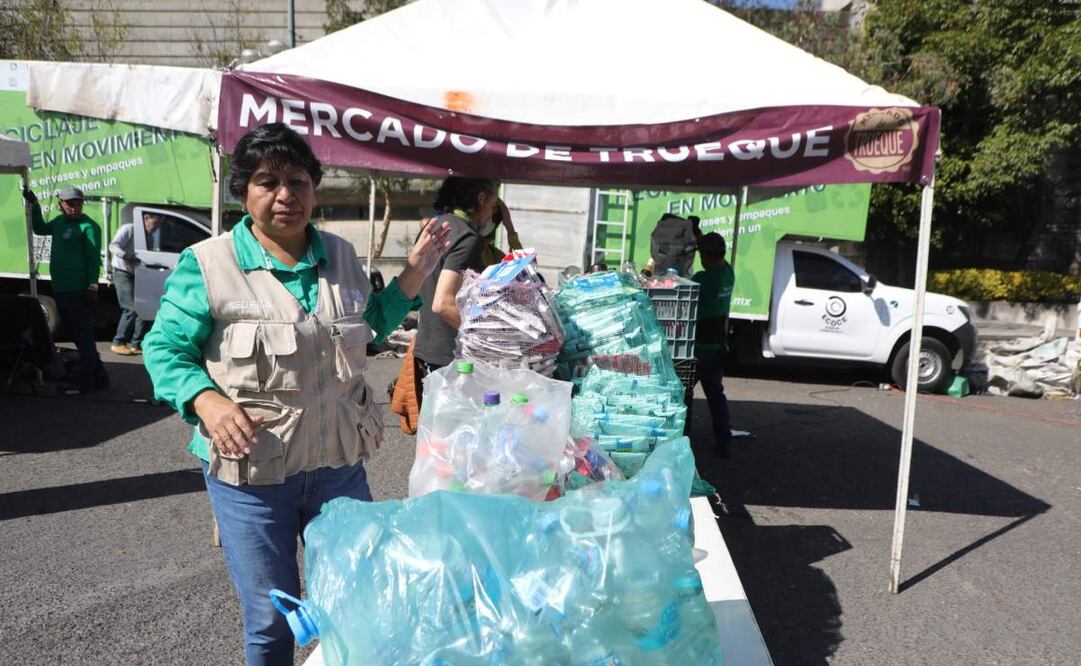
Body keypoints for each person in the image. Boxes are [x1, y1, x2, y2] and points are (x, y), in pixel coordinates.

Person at [142, 122, 451, 666]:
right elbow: (165, 350)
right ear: (244, 192)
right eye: (267, 182)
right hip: (252, 479)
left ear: (315, 187)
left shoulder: (341, 254)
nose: (285, 195)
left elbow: (370, 327)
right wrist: (206, 401)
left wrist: (415, 274)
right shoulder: (208, 265)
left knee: (358, 600)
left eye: (298, 181)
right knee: (270, 620)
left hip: (338, 467)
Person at [25, 185, 108, 393]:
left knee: (83, 335)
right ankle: (99, 376)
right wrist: (34, 206)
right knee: (75, 333)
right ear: (60, 204)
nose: (75, 207)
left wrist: (92, 286)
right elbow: (40, 229)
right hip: (61, 288)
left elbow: (93, 259)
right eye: (70, 203)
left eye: (78, 203)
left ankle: (86, 379)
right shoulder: (59, 222)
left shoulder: (89, 227)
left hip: (79, 290)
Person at [413, 176, 499, 375]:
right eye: (492, 206)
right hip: (451, 359)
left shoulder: (435, 226)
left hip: (426, 350)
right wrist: (487, 341)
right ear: (481, 199)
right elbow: (443, 303)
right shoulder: (466, 238)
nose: (491, 215)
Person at [692, 230, 736, 457]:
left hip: (701, 346)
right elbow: (714, 252)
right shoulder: (728, 273)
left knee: (682, 395)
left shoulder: (703, 278)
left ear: (707, 256)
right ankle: (724, 443)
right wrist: (698, 234)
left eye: (701, 253)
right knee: (716, 397)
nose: (699, 257)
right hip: (719, 345)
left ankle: (680, 443)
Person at [107, 217, 149, 355]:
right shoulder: (129, 229)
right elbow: (113, 246)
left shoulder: (150, 234)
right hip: (122, 271)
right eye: (155, 221)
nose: (155, 226)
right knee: (130, 308)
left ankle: (137, 344)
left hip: (138, 273)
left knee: (142, 308)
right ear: (146, 218)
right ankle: (118, 342)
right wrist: (126, 256)